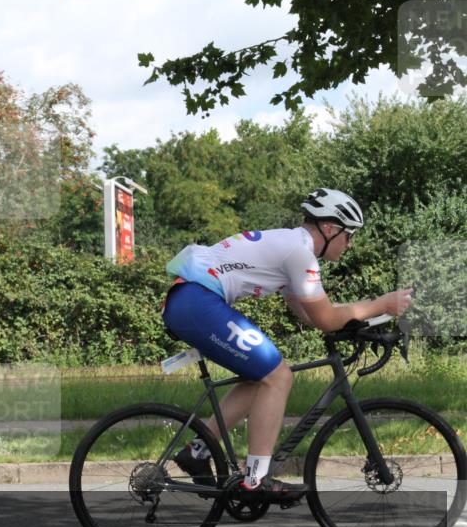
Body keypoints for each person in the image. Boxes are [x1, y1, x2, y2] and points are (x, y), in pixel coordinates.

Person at [162, 188, 413, 500]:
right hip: (197, 301)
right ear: (330, 229)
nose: (350, 244)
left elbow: (312, 313)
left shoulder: (290, 244)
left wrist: (359, 324)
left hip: (191, 300)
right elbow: (325, 318)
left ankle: (198, 451)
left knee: (262, 377)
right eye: (349, 235)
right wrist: (381, 304)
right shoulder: (299, 253)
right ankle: (255, 480)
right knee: (278, 375)